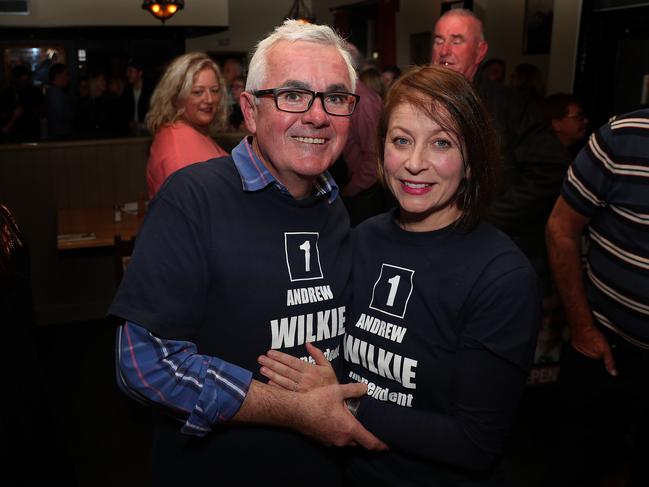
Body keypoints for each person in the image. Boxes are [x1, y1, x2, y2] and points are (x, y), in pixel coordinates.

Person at [108, 19, 384, 487]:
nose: (317, 116)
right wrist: (293, 411)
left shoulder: (333, 202)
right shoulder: (193, 198)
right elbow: (143, 363)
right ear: (251, 111)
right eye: (293, 95)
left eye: (336, 97)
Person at [259, 65, 541, 486]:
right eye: (402, 141)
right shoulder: (362, 238)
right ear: (381, 149)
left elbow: (475, 444)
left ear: (471, 162)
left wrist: (342, 402)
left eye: (441, 143)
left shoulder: (502, 277)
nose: (414, 163)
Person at [544, 109, 649, 487]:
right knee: (577, 463)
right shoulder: (623, 137)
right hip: (606, 348)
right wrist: (582, 327)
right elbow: (561, 228)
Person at [431, 8, 569, 294]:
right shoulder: (419, 106)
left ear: (480, 51)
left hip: (496, 253)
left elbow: (550, 171)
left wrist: (486, 217)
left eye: (457, 41)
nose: (445, 50)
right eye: (438, 40)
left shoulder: (513, 107)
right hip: (436, 253)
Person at [144, 52, 229, 198]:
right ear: (176, 97)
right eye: (197, 92)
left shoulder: (191, 130)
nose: (209, 99)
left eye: (215, 91)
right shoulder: (177, 147)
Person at [119, 58, 152, 135]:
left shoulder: (150, 90)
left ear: (140, 73)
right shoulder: (127, 91)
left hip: (147, 132)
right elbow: (122, 112)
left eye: (130, 71)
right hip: (130, 132)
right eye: (127, 71)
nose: (127, 74)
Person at [45, 63, 74, 139]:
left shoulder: (56, 91)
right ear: (57, 76)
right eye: (66, 74)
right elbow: (61, 115)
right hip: (60, 135)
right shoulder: (55, 92)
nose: (68, 78)